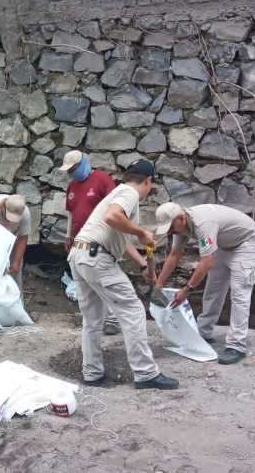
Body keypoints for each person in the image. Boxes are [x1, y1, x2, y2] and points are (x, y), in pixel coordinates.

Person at [68, 159, 179, 390]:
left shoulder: (118, 192)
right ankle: (146, 373)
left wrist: (141, 265)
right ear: (148, 181)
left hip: (80, 255)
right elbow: (112, 218)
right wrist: (141, 233)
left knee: (92, 319)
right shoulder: (129, 193)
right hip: (96, 258)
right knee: (133, 310)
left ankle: (92, 373)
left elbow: (118, 234)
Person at [153, 202, 255, 365]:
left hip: (245, 243)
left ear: (181, 217)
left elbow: (206, 262)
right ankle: (203, 333)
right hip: (222, 245)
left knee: (239, 295)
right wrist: (158, 285)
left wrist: (187, 290)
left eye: (171, 227)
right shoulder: (179, 226)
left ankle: (236, 345)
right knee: (213, 290)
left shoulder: (203, 224)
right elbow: (175, 254)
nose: (170, 231)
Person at [60, 150, 121, 335]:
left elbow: (114, 206)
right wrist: (68, 235)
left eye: (74, 169)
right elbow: (71, 213)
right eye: (69, 171)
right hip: (80, 241)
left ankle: (112, 319)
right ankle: (94, 319)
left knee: (104, 279)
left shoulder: (102, 180)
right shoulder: (72, 186)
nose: (71, 173)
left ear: (84, 163)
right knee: (85, 282)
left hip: (100, 240)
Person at [0, 194, 30, 288]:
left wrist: (16, 262)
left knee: (15, 278)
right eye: (9, 217)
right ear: (3, 207)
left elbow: (23, 237)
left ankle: (15, 301)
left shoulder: (25, 212)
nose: (11, 222)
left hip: (13, 240)